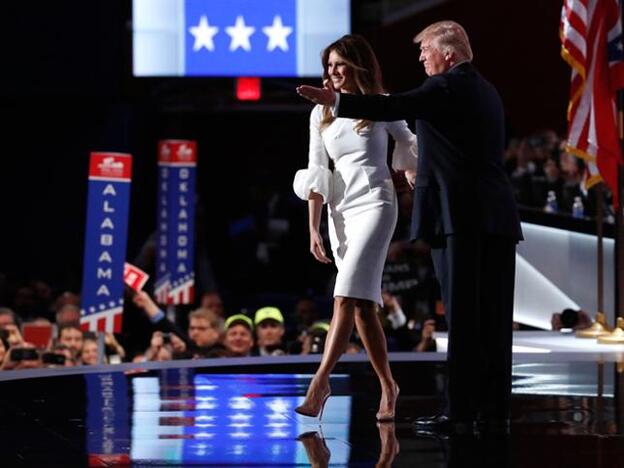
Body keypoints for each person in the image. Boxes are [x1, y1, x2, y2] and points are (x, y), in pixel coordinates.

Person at [298, 21, 523, 434]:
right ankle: (493, 409)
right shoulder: (487, 89)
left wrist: (338, 101)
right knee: (493, 319)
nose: (421, 59)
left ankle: (457, 412)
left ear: (449, 54)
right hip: (495, 216)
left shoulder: (444, 87)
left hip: (458, 218)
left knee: (462, 317)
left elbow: (392, 108)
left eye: (426, 52)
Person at [292, 34, 418, 422]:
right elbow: (318, 171)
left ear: (357, 65)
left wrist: (410, 168)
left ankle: (320, 381)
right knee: (363, 308)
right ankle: (388, 386)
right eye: (328, 66)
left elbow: (409, 140)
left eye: (339, 65)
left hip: (377, 204)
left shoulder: (380, 104)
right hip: (340, 213)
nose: (332, 73)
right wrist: (314, 227)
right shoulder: (321, 113)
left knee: (343, 296)